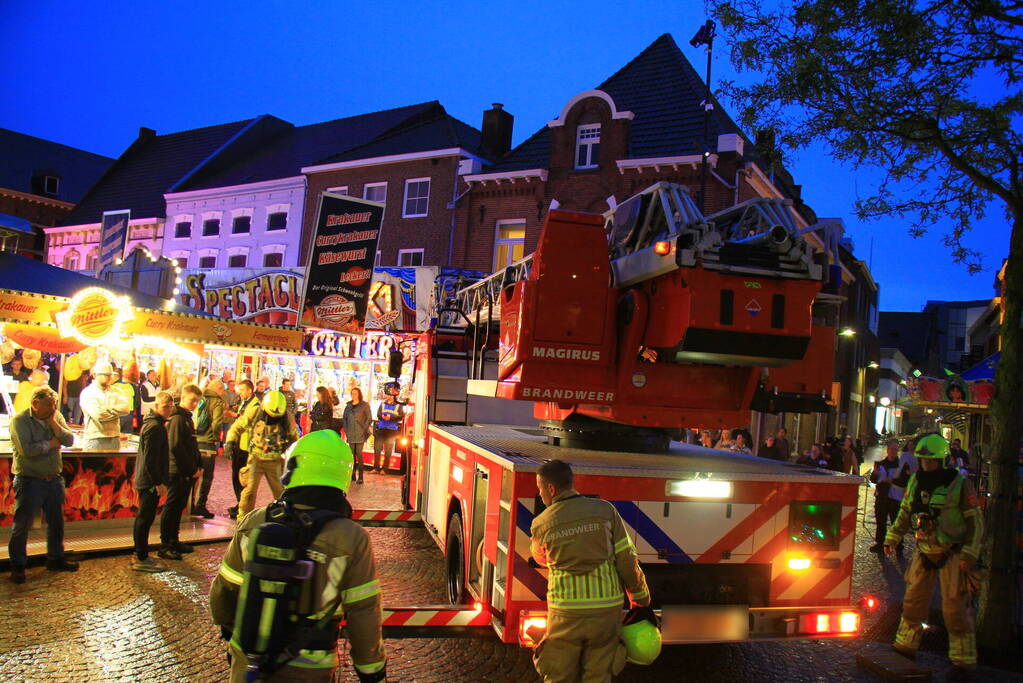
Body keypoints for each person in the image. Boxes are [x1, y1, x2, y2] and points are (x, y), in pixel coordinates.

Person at [209, 430, 386, 682]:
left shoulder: (255, 521)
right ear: (342, 475)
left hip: (249, 664)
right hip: (310, 670)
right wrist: (373, 672)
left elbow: (223, 592)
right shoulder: (351, 538)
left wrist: (238, 637)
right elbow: (363, 612)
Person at [529, 459, 651, 682]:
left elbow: (540, 557)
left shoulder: (541, 523)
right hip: (606, 609)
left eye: (539, 489)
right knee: (599, 674)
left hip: (566, 611)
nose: (540, 495)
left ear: (551, 489)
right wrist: (640, 598)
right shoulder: (605, 511)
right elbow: (626, 559)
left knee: (559, 673)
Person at [884, 433, 983, 680]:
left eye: (930, 461)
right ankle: (904, 648)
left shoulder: (959, 484)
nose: (925, 466)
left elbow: (976, 522)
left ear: (942, 460)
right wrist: (892, 537)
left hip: (953, 552)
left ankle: (963, 662)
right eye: (922, 461)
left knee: (955, 608)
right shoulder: (916, 481)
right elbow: (905, 511)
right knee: (913, 601)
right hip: (924, 551)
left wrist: (969, 553)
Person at [8, 386, 78, 583]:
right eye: (48, 404)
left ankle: (55, 558)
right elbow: (26, 450)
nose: (52, 407)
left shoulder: (55, 417)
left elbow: (69, 439)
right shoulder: (20, 421)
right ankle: (18, 565)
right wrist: (51, 444)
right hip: (30, 480)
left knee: (56, 522)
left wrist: (54, 425)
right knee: (22, 524)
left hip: (53, 479)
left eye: (54, 404)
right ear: (35, 403)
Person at [225, 390, 299, 517]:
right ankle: (243, 520)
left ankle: (284, 518)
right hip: (256, 458)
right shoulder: (255, 412)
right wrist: (230, 442)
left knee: (280, 493)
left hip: (275, 460)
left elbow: (294, 439)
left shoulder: (287, 418)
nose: (273, 418)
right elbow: (237, 427)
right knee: (249, 492)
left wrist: (293, 458)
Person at [132, 391, 174, 572]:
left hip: (149, 479)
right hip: (149, 481)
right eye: (165, 407)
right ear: (156, 406)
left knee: (145, 517)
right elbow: (150, 458)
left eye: (170, 407)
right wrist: (158, 482)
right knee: (144, 517)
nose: (168, 410)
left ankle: (140, 554)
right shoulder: (154, 427)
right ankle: (140, 555)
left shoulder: (154, 424)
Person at [160, 383, 203, 561]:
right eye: (192, 400)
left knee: (178, 507)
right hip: (177, 471)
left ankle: (174, 540)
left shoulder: (186, 418)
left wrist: (198, 465)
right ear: (184, 398)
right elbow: (176, 446)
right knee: (172, 507)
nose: (194, 404)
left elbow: (191, 445)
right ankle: (166, 544)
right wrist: (191, 469)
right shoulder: (178, 419)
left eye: (197, 402)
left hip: (185, 471)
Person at [225, 379, 259, 519]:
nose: (240, 392)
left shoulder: (255, 404)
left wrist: (234, 415)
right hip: (240, 444)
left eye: (243, 389)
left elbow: (246, 421)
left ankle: (243, 506)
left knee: (243, 477)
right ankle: (240, 503)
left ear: (250, 390)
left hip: (246, 447)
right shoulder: (244, 402)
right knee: (236, 476)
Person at [79, 361, 132, 450]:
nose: (109, 378)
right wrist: (116, 412)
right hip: (95, 437)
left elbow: (126, 409)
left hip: (114, 437)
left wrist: (106, 409)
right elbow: (99, 415)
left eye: (110, 375)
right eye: (105, 375)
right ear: (95, 375)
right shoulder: (88, 392)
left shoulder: (117, 391)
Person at [194, 377, 226, 519]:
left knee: (193, 475)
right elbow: (216, 423)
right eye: (222, 390)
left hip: (196, 442)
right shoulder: (217, 402)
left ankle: (189, 504)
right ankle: (200, 505)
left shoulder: (200, 398)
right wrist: (215, 439)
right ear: (218, 389)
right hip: (207, 444)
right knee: (207, 477)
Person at [869, 440, 905, 554]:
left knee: (896, 523)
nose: (893, 451)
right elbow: (873, 480)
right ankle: (880, 544)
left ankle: (899, 547)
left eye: (896, 449)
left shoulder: (902, 465)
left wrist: (892, 480)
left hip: (895, 498)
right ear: (887, 450)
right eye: (892, 449)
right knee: (881, 522)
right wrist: (875, 473)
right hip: (882, 496)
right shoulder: (880, 464)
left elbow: (905, 481)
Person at [343, 387, 373, 484]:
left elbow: (369, 418)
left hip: (360, 433)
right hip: (351, 432)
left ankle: (361, 477)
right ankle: (352, 475)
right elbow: (345, 418)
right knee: (351, 455)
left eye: (355, 393)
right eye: (352, 393)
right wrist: (347, 430)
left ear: (359, 394)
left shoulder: (364, 405)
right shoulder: (348, 406)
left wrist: (364, 428)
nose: (354, 395)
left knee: (359, 454)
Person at [372, 393, 404, 473]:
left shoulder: (399, 406)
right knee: (377, 449)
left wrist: (391, 417)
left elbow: (401, 417)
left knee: (388, 451)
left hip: (391, 431)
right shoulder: (382, 404)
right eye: (387, 395)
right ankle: (376, 468)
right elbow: (378, 414)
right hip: (381, 429)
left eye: (390, 395)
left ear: (394, 396)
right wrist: (382, 416)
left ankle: (384, 469)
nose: (388, 396)